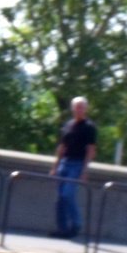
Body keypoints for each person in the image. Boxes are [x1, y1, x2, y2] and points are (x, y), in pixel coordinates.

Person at [50, 96, 97, 238]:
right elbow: (62, 146)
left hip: (77, 164)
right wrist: (56, 165)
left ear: (86, 109)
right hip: (65, 162)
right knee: (60, 198)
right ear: (72, 109)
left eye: (82, 107)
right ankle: (63, 229)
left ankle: (76, 223)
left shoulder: (89, 127)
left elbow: (91, 150)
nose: (79, 109)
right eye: (77, 107)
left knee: (67, 194)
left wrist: (84, 170)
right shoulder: (68, 125)